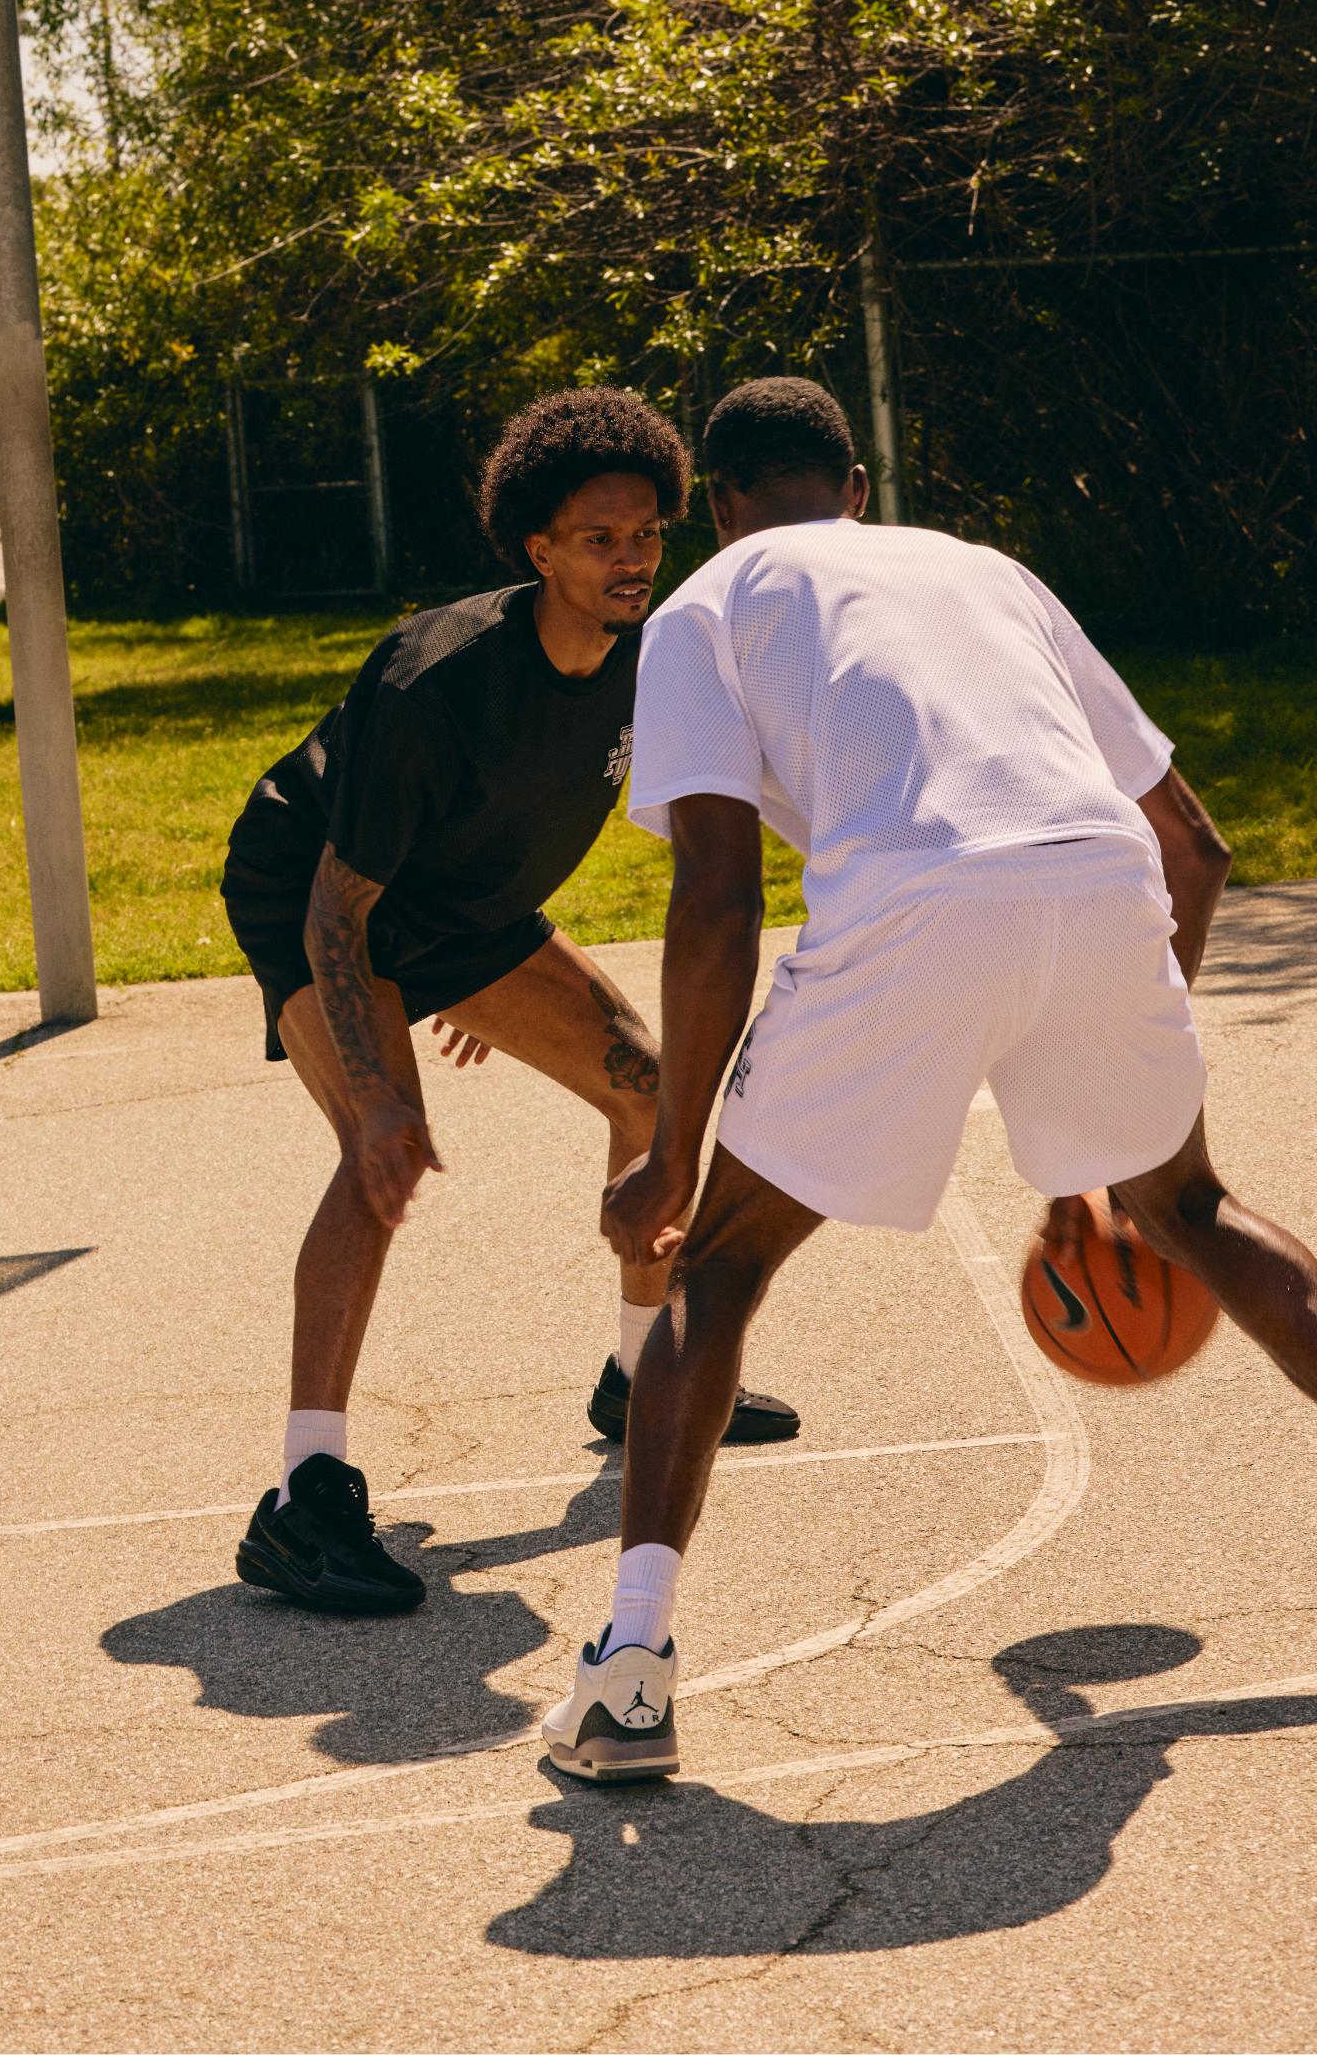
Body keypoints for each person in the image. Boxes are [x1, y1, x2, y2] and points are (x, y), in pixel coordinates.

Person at [542, 373, 1317, 1782]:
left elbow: (716, 893)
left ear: (717, 509)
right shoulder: (988, 572)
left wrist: (674, 1146)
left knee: (715, 1272)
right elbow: (1191, 847)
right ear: (856, 487)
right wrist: (1113, 1113)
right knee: (1195, 1211)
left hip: (909, 898)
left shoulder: (707, 608)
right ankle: (632, 1673)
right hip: (1098, 878)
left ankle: (631, 1678)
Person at [221, 386, 800, 1620]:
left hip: (466, 910)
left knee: (645, 1084)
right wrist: (378, 1094)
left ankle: (639, 1371)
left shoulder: (658, 652)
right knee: (380, 1159)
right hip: (322, 893)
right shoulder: (439, 680)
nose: (632, 559)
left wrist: (477, 973)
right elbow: (339, 907)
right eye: (600, 539)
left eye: (647, 533)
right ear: (537, 548)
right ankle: (302, 1497)